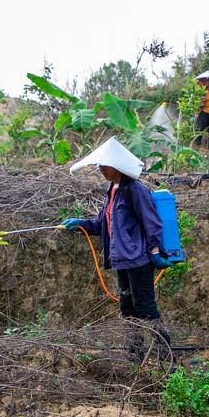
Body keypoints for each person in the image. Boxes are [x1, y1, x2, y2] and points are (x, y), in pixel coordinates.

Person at [60, 138, 172, 361]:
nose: (101, 170)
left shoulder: (135, 190)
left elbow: (152, 223)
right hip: (121, 261)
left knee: (145, 307)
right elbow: (103, 226)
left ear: (118, 166)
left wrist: (156, 253)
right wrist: (81, 224)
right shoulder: (112, 191)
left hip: (139, 261)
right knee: (128, 309)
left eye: (105, 166)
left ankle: (165, 357)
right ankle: (135, 356)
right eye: (99, 166)